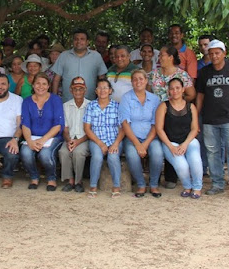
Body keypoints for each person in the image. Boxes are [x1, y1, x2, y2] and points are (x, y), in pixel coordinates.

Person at [196, 40, 229, 201]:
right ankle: (217, 184)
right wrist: (196, 117)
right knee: (213, 153)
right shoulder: (205, 72)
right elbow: (200, 96)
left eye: (217, 53)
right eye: (211, 53)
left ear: (224, 53)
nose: (214, 56)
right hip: (209, 119)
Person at [148, 46, 195, 189]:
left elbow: (191, 94)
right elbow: (148, 93)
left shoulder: (182, 75)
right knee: (158, 144)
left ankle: (172, 177)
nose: (159, 58)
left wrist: (178, 104)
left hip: (175, 115)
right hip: (156, 114)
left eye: (162, 55)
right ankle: (156, 177)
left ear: (171, 57)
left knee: (173, 140)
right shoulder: (153, 74)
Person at [156, 78, 203, 198]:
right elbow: (159, 129)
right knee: (182, 166)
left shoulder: (190, 107)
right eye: (171, 88)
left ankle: (197, 187)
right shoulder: (163, 106)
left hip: (189, 141)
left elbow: (194, 128)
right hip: (170, 143)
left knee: (195, 161)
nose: (175, 91)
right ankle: (187, 186)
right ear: (168, 91)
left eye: (177, 88)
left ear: (183, 90)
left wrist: (185, 144)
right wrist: (170, 146)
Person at [119, 69, 163, 198]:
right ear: (131, 82)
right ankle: (141, 184)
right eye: (135, 79)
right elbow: (125, 123)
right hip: (132, 137)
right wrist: (138, 144)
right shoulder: (126, 98)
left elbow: (156, 124)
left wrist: (146, 143)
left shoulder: (155, 99)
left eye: (141, 79)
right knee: (132, 154)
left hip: (151, 136)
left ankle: (154, 185)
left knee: (157, 153)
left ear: (146, 81)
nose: (138, 81)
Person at [20, 72, 65, 191]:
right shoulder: (27, 101)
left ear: (49, 85)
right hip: (32, 136)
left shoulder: (56, 100)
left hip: (52, 137)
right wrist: (29, 140)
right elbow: (25, 124)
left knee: (45, 154)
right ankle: (34, 177)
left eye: (44, 84)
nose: (41, 86)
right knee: (25, 152)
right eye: (38, 83)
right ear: (33, 85)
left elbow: (58, 125)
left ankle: (51, 178)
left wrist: (43, 139)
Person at [83, 78, 124, 198]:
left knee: (113, 156)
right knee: (96, 156)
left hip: (114, 140)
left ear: (110, 90)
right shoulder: (91, 106)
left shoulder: (117, 106)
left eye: (105, 88)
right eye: (99, 88)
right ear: (96, 91)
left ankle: (116, 187)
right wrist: (100, 144)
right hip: (96, 140)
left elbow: (123, 128)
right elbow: (87, 129)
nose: (102, 90)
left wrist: (116, 143)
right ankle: (93, 186)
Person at [51, 28, 107, 102]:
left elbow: (102, 79)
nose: (79, 41)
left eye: (82, 39)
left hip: (90, 102)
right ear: (73, 41)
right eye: (76, 39)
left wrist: (102, 99)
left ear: (87, 42)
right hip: (68, 102)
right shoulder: (63, 56)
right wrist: (54, 99)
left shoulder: (96, 56)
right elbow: (56, 80)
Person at [58, 77, 90, 192]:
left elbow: (91, 130)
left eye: (80, 89)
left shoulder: (90, 105)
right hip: (70, 138)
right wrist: (68, 141)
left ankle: (79, 181)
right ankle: (70, 180)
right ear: (71, 90)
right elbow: (65, 128)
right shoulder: (66, 106)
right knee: (63, 152)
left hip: (84, 139)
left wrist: (78, 142)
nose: (77, 92)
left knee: (78, 152)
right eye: (75, 89)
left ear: (85, 90)